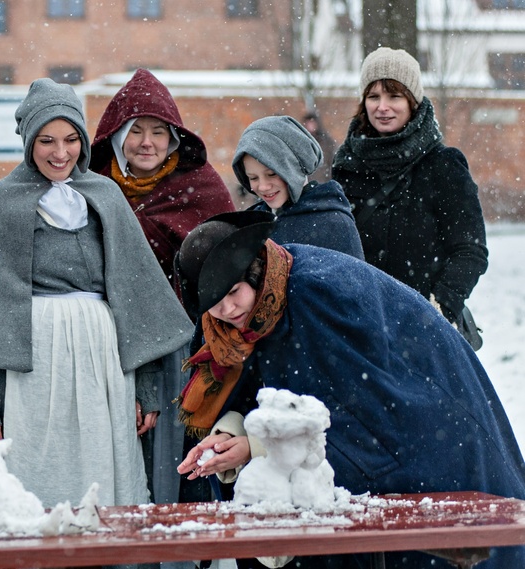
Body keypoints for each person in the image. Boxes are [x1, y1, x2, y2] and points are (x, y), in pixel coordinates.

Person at [174, 210, 525, 568]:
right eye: (214, 303)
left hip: (433, 435)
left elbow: (362, 416)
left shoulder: (317, 294)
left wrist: (257, 446)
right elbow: (261, 388)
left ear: (256, 271)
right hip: (380, 450)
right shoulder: (232, 322)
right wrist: (230, 430)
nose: (227, 308)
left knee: (453, 545)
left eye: (234, 292)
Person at [0, 78, 193, 515]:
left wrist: (149, 386)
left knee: (102, 493)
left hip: (104, 375)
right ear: (28, 143)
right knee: (29, 495)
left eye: (70, 139)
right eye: (47, 141)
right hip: (29, 378)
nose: (60, 153)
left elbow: (137, 301)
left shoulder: (106, 198)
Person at [90, 68, 235, 507]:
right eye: (136, 131)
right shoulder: (91, 189)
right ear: (117, 137)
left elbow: (228, 262)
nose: (147, 143)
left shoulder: (200, 187)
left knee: (174, 455)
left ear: (174, 138)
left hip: (182, 345)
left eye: (158, 131)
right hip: (104, 343)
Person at [332, 47, 488, 344]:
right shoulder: (347, 165)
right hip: (361, 327)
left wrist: (438, 308)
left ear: (413, 102)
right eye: (373, 96)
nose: (383, 107)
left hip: (425, 330)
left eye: (394, 96)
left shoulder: (443, 165)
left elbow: (471, 250)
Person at [233, 115, 363, 259]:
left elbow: (353, 279)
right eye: (253, 178)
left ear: (295, 167)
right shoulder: (253, 224)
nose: (263, 187)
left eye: (272, 174)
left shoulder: (333, 225)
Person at [300, 111, 337, 183]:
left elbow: (332, 162)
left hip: (323, 181)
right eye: (308, 123)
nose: (310, 126)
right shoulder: (301, 142)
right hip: (307, 183)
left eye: (312, 122)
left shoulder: (327, 143)